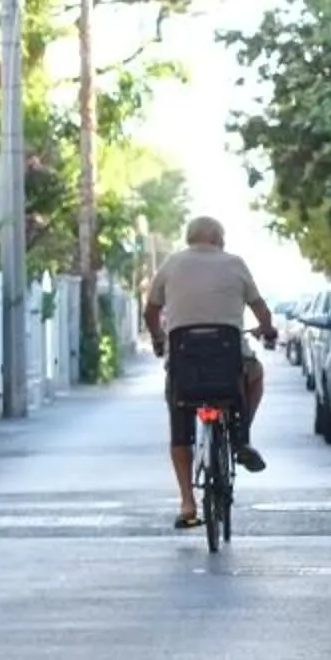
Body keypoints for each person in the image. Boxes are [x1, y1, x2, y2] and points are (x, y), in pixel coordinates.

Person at [143, 214, 278, 529]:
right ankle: (241, 436)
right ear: (219, 239)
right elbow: (261, 309)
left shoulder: (171, 265)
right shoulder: (235, 264)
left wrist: (159, 338)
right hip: (228, 358)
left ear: (190, 238)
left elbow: (151, 311)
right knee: (255, 375)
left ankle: (187, 503)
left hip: (184, 361)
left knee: (180, 425)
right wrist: (268, 330)